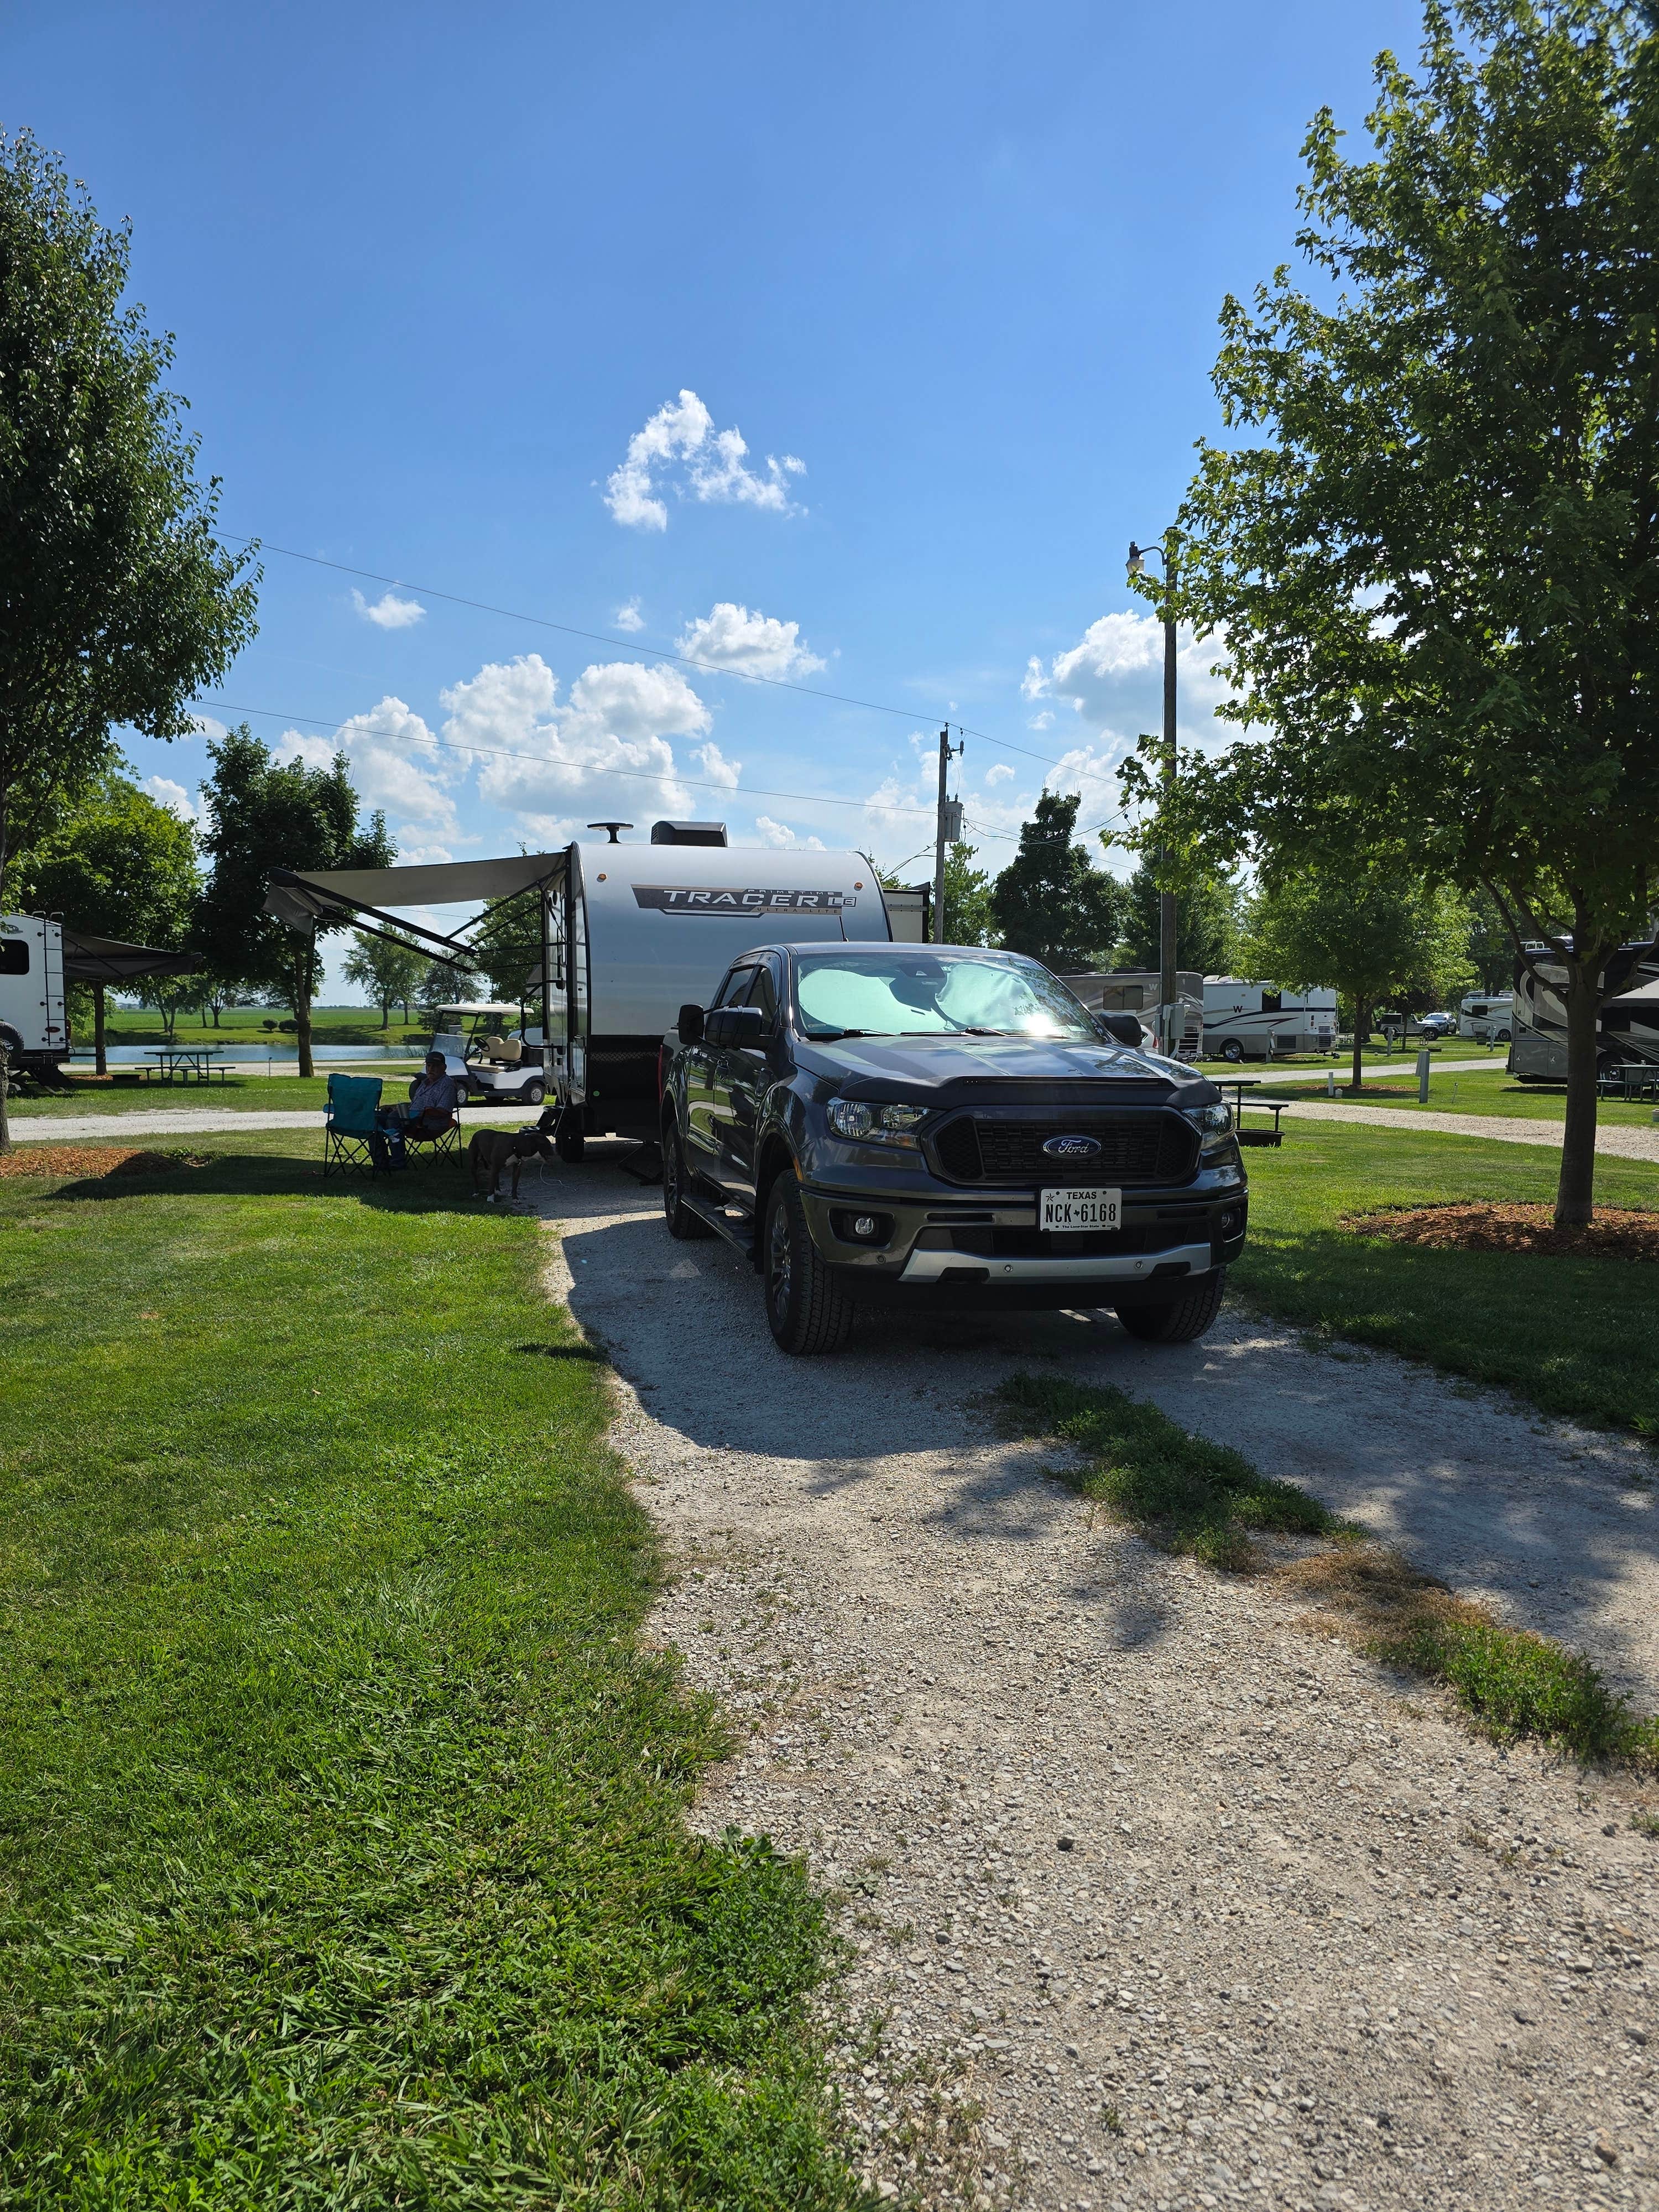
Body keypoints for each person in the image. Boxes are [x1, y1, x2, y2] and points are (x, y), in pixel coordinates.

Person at [374, 1052, 462, 1166]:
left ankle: (398, 1162)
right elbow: (413, 1106)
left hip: (430, 1123)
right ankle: (381, 1162)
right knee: (376, 1118)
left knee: (394, 1119)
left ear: (444, 1068)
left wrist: (421, 1112)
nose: (431, 1069)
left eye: (435, 1066)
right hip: (411, 1118)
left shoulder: (447, 1085)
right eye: (429, 1066)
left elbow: (443, 1111)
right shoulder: (425, 1082)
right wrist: (395, 1108)